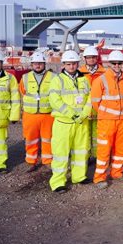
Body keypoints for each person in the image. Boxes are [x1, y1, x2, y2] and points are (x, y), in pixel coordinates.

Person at [48, 50, 92, 193]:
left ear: (78, 64)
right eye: (68, 64)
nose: (72, 66)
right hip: (63, 123)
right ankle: (58, 182)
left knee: (81, 151)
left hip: (81, 123)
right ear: (64, 64)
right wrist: (71, 114)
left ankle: (79, 176)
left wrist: (84, 114)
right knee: (61, 153)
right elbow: (55, 101)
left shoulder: (84, 80)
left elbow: (90, 99)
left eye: (74, 64)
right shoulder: (57, 80)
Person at [90, 50, 123, 189]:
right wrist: (106, 113)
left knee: (120, 149)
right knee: (104, 150)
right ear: (109, 64)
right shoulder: (100, 80)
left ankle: (117, 172)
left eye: (120, 63)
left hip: (122, 120)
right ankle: (99, 177)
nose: (117, 65)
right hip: (106, 121)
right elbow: (95, 102)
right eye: (114, 63)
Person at [18, 51, 56, 171]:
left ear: (45, 64)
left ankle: (48, 160)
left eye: (40, 63)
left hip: (48, 114)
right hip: (30, 114)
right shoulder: (25, 78)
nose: (38, 66)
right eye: (35, 63)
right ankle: (31, 161)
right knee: (30, 139)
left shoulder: (54, 77)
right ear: (31, 65)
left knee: (48, 139)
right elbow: (21, 94)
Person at [81, 46, 105, 163]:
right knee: (84, 135)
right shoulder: (79, 72)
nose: (91, 60)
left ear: (97, 58)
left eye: (93, 57)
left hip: (98, 109)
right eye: (88, 58)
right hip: (83, 109)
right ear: (85, 58)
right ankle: (85, 157)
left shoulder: (104, 72)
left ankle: (96, 156)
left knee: (97, 135)